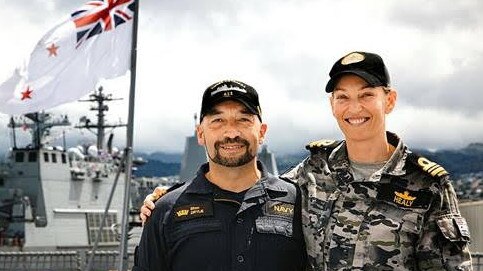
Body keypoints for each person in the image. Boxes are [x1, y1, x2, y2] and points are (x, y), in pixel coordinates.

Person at [140, 52, 473, 270]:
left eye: (366, 95)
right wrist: (164, 200)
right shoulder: (312, 174)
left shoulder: (427, 185)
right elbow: (247, 186)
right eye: (343, 97)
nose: (354, 108)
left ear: (389, 100)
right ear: (332, 105)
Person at [132, 80, 307, 271]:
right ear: (200, 134)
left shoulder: (300, 203)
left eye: (243, 120)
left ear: (262, 132)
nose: (231, 132)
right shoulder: (165, 211)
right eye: (218, 121)